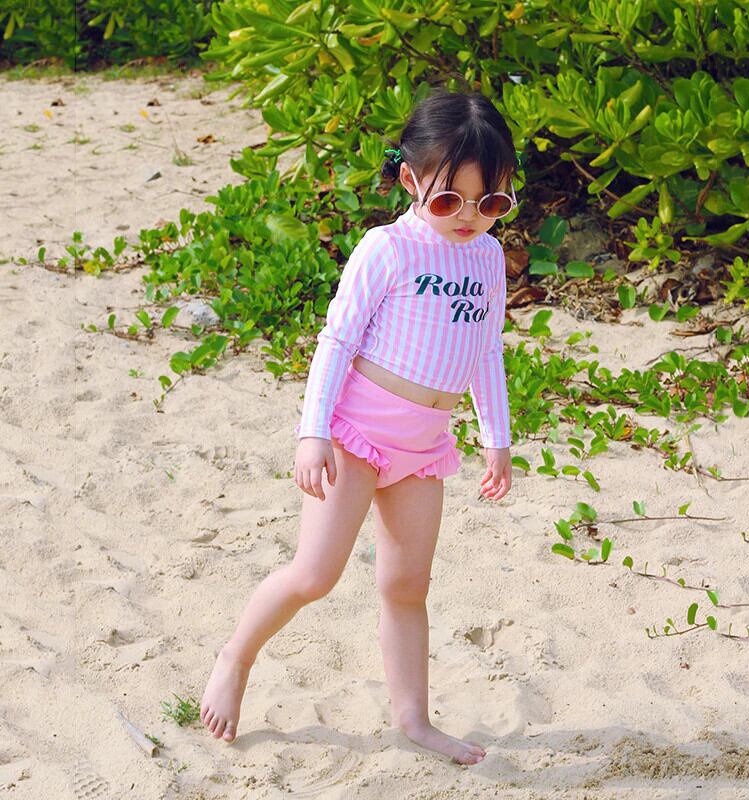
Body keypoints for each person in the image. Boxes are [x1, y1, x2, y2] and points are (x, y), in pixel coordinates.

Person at [200, 88, 522, 765]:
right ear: (410, 181)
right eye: (449, 200)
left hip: (424, 447)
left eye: (491, 202)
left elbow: (487, 350)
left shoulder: (488, 259)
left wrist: (497, 438)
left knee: (407, 587)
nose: (470, 217)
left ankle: (414, 719)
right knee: (314, 575)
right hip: (355, 436)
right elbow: (337, 341)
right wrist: (312, 431)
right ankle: (236, 656)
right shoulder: (389, 249)